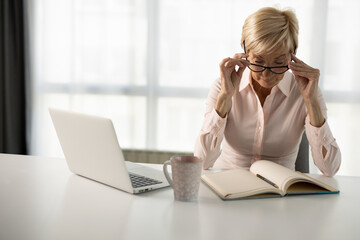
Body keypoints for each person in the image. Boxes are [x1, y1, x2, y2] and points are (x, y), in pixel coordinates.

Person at [194, 7, 341, 177]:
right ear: (245, 52)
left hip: (280, 191)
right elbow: (202, 161)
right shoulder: (223, 85)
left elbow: (330, 169)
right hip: (228, 187)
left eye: (278, 62)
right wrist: (225, 97)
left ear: (292, 54)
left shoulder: (307, 91)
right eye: (259, 61)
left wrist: (311, 102)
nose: (266, 73)